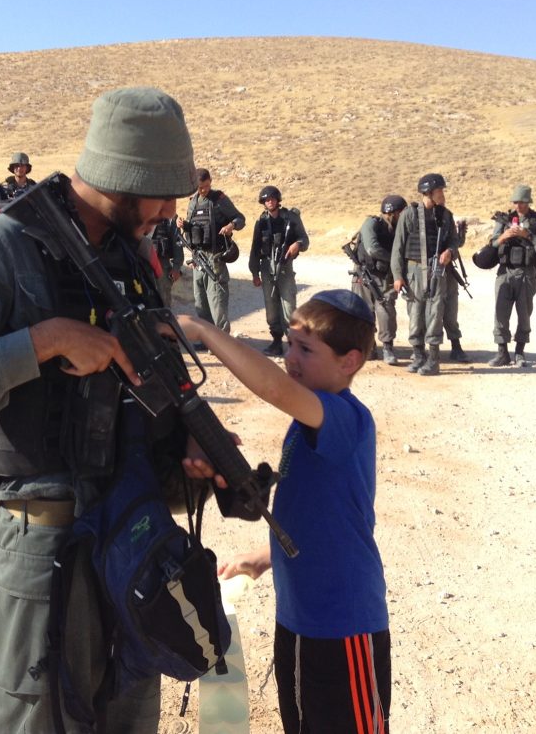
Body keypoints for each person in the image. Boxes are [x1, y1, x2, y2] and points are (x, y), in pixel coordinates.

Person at [0, 87, 201, 734]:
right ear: (126, 178)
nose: (172, 208)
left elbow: (140, 393)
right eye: (162, 190)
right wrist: (46, 340)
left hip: (129, 547)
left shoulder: (136, 260)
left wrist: (188, 447)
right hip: (43, 551)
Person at [176, 289, 390, 734]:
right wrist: (265, 555)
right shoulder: (309, 421)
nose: (291, 358)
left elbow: (273, 387)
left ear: (348, 362)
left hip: (342, 625)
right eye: (289, 344)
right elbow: (321, 513)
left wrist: (201, 330)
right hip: (297, 620)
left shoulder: (344, 418)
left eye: (305, 349)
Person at [391, 173, 459, 376]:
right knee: (415, 313)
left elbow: (454, 241)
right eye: (440, 191)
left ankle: (433, 359)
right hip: (413, 271)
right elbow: (398, 248)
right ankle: (418, 354)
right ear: (429, 193)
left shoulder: (446, 215)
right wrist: (397, 275)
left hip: (437, 271)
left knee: (435, 313)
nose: (443, 194)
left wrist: (450, 252)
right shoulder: (409, 215)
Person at [486, 184, 536, 367]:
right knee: (501, 313)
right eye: (515, 202)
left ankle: (520, 352)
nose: (518, 206)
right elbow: (492, 243)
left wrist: (528, 235)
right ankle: (502, 353)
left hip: (527, 273)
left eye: (522, 202)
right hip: (505, 272)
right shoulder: (504, 219)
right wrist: (504, 236)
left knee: (524, 314)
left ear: (528, 202)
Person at [179, 168, 245, 334]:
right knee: (201, 301)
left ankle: (222, 340)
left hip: (215, 258)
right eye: (201, 187)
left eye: (207, 186)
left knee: (217, 301)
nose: (204, 190)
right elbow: (192, 229)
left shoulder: (219, 199)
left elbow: (240, 218)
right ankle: (206, 338)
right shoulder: (193, 201)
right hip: (198, 258)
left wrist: (231, 226)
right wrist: (183, 225)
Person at [249, 185, 309, 356]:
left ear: (278, 200)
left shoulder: (291, 218)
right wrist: (254, 272)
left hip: (284, 267)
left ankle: (293, 344)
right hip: (267, 267)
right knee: (271, 308)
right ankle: (276, 341)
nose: (270, 202)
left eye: (273, 199)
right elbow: (255, 248)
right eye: (267, 200)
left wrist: (297, 245)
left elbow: (304, 239)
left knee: (289, 306)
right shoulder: (261, 222)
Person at [354, 194, 406, 365]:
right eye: (401, 213)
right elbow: (372, 249)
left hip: (386, 275)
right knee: (364, 311)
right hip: (364, 273)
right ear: (395, 213)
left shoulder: (400, 228)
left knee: (386, 309)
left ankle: (388, 347)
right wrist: (394, 260)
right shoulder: (372, 223)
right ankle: (368, 346)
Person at [442, 216, 471, 362]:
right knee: (424, 313)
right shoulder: (420, 220)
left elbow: (456, 245)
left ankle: (456, 346)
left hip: (447, 273)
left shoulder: (446, 219)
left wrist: (459, 233)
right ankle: (421, 350)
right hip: (426, 272)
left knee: (450, 312)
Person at [149, 216, 184, 308]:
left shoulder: (169, 216)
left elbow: (177, 243)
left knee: (163, 299)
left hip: (162, 265)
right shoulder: (141, 209)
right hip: (141, 262)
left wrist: (176, 268)